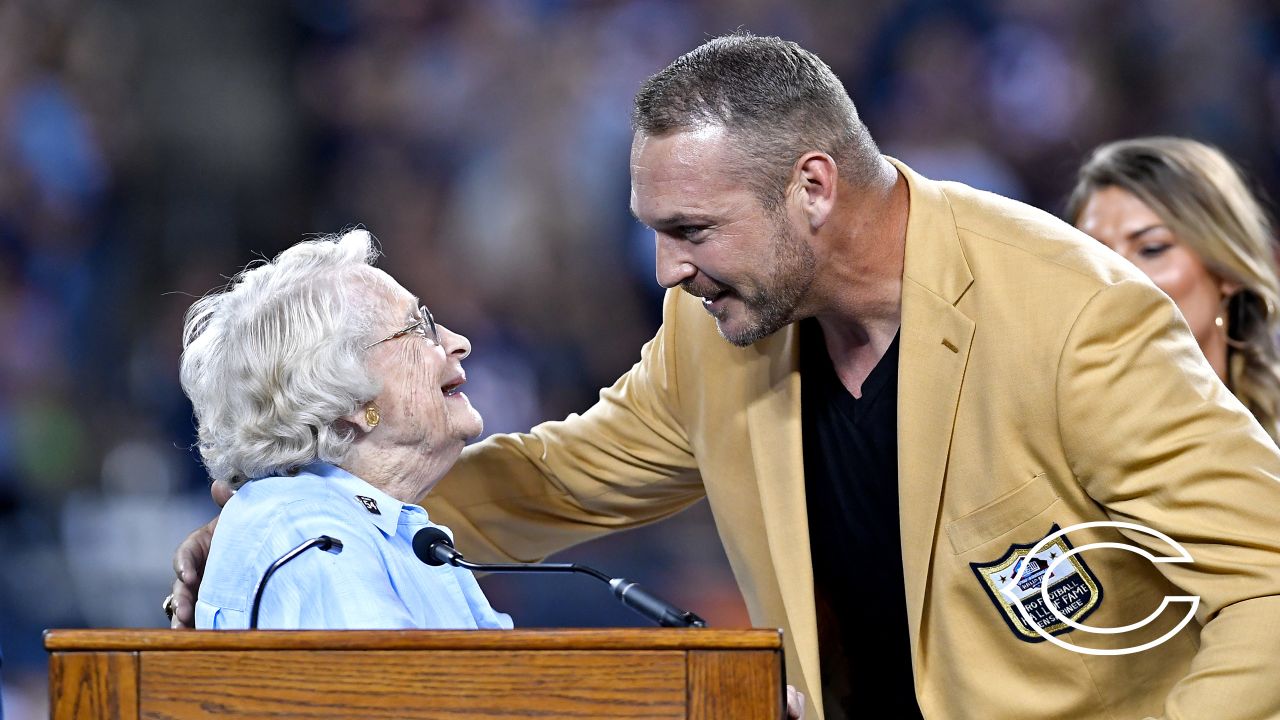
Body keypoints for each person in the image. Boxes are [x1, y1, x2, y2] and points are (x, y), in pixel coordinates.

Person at [173, 34, 1280, 719]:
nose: (667, 270)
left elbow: (1264, 584)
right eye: (654, 231)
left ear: (811, 186)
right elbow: (554, 485)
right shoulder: (717, 333)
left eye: (692, 228)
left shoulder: (1071, 315)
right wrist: (317, 507)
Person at [177, 228, 511, 630]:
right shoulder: (310, 534)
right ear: (350, 400)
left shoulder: (391, 530)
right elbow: (403, 690)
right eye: (417, 327)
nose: (459, 343)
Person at [1067, 136, 1280, 442]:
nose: (1114, 276)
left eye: (1151, 249)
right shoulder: (1057, 449)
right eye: (1093, 255)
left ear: (1225, 269)